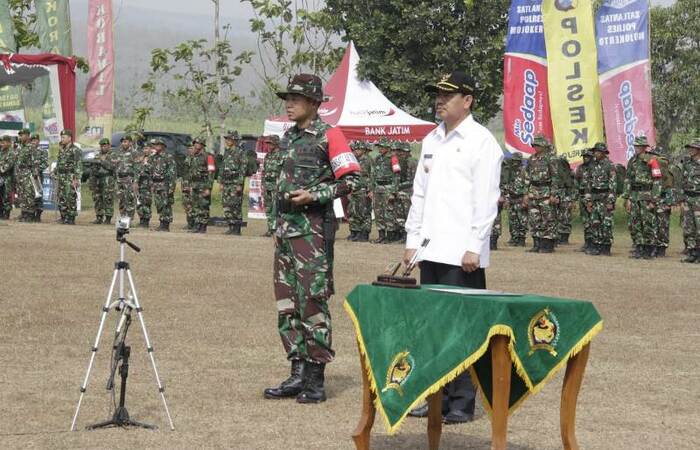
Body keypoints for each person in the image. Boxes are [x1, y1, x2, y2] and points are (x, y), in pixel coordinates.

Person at [403, 71, 503, 424]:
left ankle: (462, 400)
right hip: (431, 249)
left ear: (468, 100)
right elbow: (420, 194)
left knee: (462, 329)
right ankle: (436, 397)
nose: (440, 100)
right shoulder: (431, 139)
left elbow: (486, 200)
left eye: (448, 94)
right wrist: (412, 240)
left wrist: (475, 246)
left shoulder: (481, 140)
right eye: (437, 93)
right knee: (432, 326)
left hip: (463, 254)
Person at [263, 73, 360, 404]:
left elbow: (353, 181)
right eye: (287, 98)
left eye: (296, 99)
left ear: (315, 103)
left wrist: (316, 194)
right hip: (286, 235)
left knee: (313, 303)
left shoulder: (330, 136)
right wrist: (276, 225)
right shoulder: (288, 139)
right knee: (287, 304)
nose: (289, 104)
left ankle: (315, 379)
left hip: (313, 234)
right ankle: (296, 373)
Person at [622, 136, 662, 259]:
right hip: (634, 196)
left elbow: (657, 180)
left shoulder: (652, 160)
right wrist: (627, 198)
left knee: (648, 222)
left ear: (645, 147)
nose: (636, 148)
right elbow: (628, 179)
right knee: (634, 222)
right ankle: (639, 246)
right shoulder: (632, 161)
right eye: (635, 146)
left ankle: (650, 248)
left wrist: (654, 200)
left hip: (647, 195)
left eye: (639, 146)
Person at [523, 135, 561, 253]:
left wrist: (553, 194)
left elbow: (555, 177)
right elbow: (527, 176)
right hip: (533, 192)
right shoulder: (531, 159)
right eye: (535, 145)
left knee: (548, 218)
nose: (536, 147)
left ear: (544, 146)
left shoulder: (551, 159)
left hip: (546, 191)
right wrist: (525, 193)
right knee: (534, 219)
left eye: (538, 145)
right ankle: (536, 243)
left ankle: (547, 245)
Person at [584, 142, 617, 256]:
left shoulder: (609, 165)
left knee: (606, 223)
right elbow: (587, 184)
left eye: (598, 151)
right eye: (595, 151)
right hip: (594, 198)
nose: (596, 153)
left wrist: (610, 201)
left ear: (603, 153)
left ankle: (606, 247)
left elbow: (613, 185)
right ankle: (597, 245)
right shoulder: (591, 166)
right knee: (595, 222)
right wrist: (588, 200)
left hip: (605, 198)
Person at [219, 131, 247, 235]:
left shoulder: (240, 152)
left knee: (235, 205)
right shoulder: (227, 152)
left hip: (235, 182)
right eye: (226, 139)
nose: (227, 141)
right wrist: (220, 182)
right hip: (226, 182)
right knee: (226, 205)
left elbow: (243, 169)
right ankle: (231, 226)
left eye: (229, 139)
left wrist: (240, 184)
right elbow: (222, 167)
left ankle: (237, 228)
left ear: (234, 140)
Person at [370, 137, 397, 243]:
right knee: (378, 212)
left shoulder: (393, 159)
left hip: (388, 188)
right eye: (379, 147)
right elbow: (373, 175)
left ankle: (389, 236)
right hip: (378, 188)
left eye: (381, 146)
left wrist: (393, 192)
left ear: (387, 147)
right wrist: (372, 189)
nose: (379, 149)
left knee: (388, 212)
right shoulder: (377, 158)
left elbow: (397, 175)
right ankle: (381, 235)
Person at [346, 141, 373, 242]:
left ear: (363, 150)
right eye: (355, 150)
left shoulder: (368, 160)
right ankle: (355, 232)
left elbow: (372, 175)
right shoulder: (354, 160)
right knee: (353, 210)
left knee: (364, 211)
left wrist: (370, 190)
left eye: (358, 149)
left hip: (363, 189)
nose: (356, 151)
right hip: (354, 189)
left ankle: (364, 233)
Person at [54, 130, 83, 225]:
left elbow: (78, 165)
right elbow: (59, 163)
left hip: (70, 176)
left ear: (70, 138)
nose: (62, 139)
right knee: (61, 196)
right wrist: (55, 171)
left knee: (70, 196)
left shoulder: (75, 150)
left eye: (64, 137)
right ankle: (63, 216)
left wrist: (77, 178)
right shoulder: (61, 149)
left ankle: (70, 217)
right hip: (61, 176)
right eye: (61, 137)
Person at [148, 138, 176, 231]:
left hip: (165, 183)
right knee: (158, 204)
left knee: (166, 204)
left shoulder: (168, 157)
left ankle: (165, 224)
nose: (157, 146)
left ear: (163, 146)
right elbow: (150, 171)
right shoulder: (153, 157)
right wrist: (151, 184)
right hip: (156, 184)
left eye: (159, 145)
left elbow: (172, 172)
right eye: (155, 145)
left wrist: (172, 186)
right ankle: (161, 222)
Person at [680, 138, 700, 263]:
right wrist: (681, 199)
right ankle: (692, 253)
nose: (691, 150)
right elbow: (682, 181)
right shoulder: (687, 163)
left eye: (693, 148)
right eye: (690, 148)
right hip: (688, 198)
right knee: (688, 227)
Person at [188, 137, 214, 233]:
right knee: (195, 206)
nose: (196, 145)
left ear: (202, 145)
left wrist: (208, 188)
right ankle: (197, 225)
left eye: (198, 143)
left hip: (203, 185)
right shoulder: (193, 156)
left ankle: (203, 226)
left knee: (203, 206)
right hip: (195, 185)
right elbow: (191, 172)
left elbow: (211, 172)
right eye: (195, 143)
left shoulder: (208, 156)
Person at [262, 135, 285, 237]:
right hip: (267, 186)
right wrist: (263, 184)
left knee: (276, 209)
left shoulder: (282, 155)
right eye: (268, 143)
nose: (269, 145)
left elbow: (284, 172)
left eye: (270, 143)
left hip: (276, 186)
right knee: (268, 208)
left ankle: (276, 230)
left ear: (276, 143)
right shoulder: (267, 156)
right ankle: (270, 229)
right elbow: (264, 171)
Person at [89, 138, 116, 225]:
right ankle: (99, 216)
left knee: (107, 198)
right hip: (98, 179)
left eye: (105, 146)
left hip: (108, 179)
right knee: (97, 198)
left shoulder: (113, 155)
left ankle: (108, 218)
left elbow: (112, 167)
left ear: (109, 146)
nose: (103, 148)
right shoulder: (97, 155)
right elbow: (93, 169)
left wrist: (102, 162)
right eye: (101, 146)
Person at [503, 153, 528, 246]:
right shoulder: (509, 171)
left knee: (522, 220)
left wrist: (526, 198)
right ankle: (514, 238)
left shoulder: (524, 171)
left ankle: (521, 239)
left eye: (517, 160)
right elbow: (506, 185)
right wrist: (507, 199)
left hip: (521, 198)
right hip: (512, 199)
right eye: (514, 160)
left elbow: (527, 185)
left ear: (520, 161)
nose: (515, 162)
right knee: (512, 220)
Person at [113, 135, 137, 220]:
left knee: (129, 199)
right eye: (123, 142)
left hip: (129, 179)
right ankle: (123, 218)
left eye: (126, 141)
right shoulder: (118, 152)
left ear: (130, 143)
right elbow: (115, 165)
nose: (124, 143)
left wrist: (135, 181)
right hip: (120, 180)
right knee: (121, 200)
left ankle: (129, 218)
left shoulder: (134, 153)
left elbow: (137, 167)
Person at [575, 148, 595, 252]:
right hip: (582, 196)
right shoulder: (580, 168)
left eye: (587, 156)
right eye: (584, 156)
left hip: (592, 197)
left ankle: (594, 243)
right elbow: (576, 181)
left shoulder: (595, 168)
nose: (585, 158)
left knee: (593, 220)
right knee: (585, 220)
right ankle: (587, 242)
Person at [135, 138, 153, 227]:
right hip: (140, 183)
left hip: (148, 183)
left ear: (151, 149)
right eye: (144, 148)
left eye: (147, 148)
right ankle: (141, 219)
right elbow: (136, 170)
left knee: (146, 202)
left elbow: (153, 170)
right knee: (139, 202)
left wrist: (146, 165)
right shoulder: (141, 159)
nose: (145, 150)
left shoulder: (153, 159)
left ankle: (146, 220)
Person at [0, 135, 15, 220]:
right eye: (2, 142)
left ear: (9, 143)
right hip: (1, 177)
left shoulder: (11, 153)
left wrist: (1, 168)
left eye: (4, 142)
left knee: (6, 196)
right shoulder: (1, 152)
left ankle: (6, 213)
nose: (2, 144)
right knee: (1, 196)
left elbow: (8, 165)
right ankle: (1, 212)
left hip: (7, 178)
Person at [181, 143, 195, 230]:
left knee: (193, 204)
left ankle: (194, 223)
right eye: (189, 148)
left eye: (192, 148)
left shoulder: (197, 159)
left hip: (193, 185)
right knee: (186, 204)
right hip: (185, 184)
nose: (190, 150)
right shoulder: (187, 159)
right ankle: (189, 222)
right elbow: (184, 174)